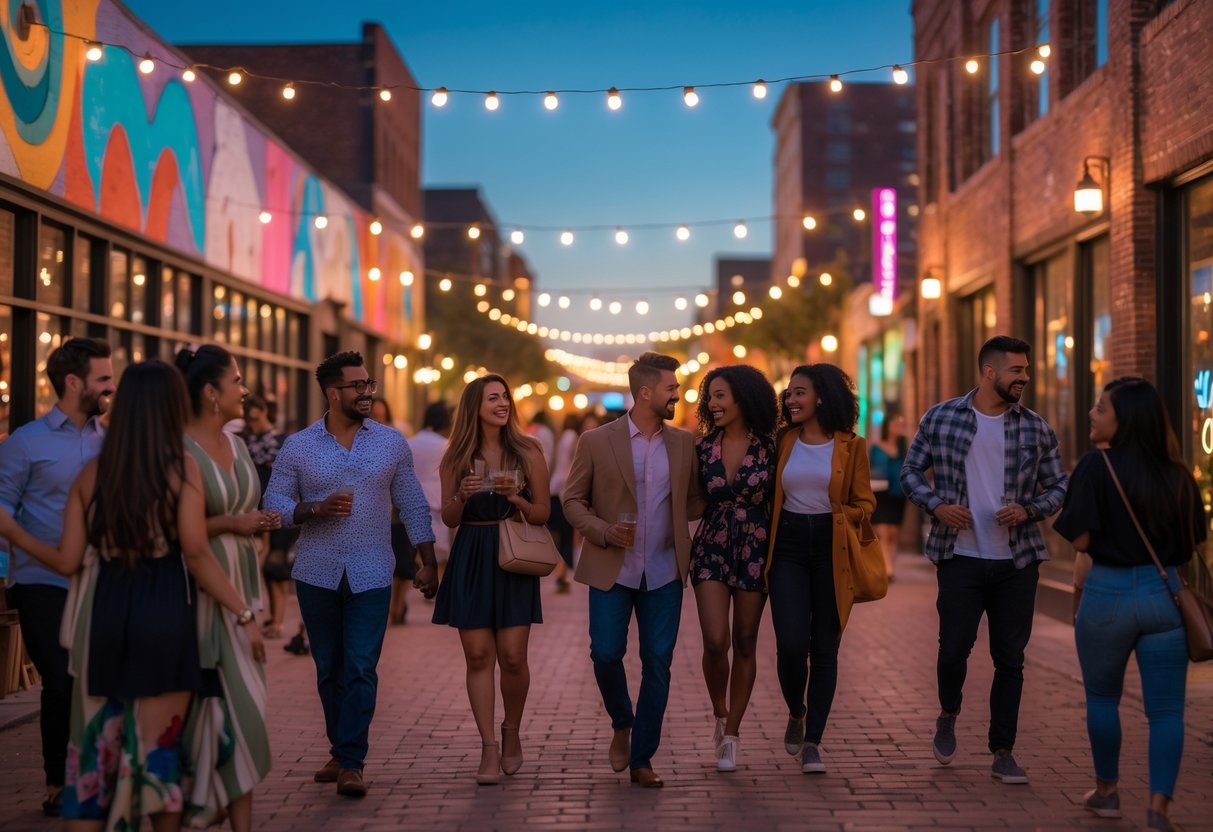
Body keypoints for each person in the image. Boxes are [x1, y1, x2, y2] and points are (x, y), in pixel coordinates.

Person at [0, 360, 265, 831]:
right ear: (168, 408)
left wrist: (12, 531)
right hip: (164, 612)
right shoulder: (179, 468)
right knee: (158, 751)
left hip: (107, 614)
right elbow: (198, 554)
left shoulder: (91, 475)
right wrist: (243, 613)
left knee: (101, 747)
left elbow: (65, 561)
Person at [263, 351, 438, 798]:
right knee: (328, 669)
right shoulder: (299, 446)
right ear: (332, 392)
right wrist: (312, 509)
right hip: (316, 573)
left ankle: (352, 760)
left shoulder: (390, 442)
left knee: (360, 666)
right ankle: (340, 749)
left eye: (369, 384)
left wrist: (427, 559)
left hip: (372, 571)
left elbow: (413, 502)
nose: (367, 392)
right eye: (358, 386)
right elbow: (273, 505)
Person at [901, 335, 1068, 784]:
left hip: (1018, 560)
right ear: (990, 371)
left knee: (1010, 658)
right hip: (960, 556)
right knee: (954, 647)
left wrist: (1030, 509)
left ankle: (1002, 750)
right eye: (1017, 370)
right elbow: (910, 471)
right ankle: (948, 711)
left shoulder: (1036, 427)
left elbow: (1059, 486)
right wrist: (936, 505)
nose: (1025, 378)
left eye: (1027, 371)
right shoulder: (941, 417)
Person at [1053, 378, 1203, 831]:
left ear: (1123, 420)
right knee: (1167, 711)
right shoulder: (1179, 475)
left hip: (1108, 594)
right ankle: (1158, 809)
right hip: (1163, 597)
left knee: (1101, 699)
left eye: (1100, 408)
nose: (1091, 414)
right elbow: (1193, 542)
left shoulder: (1095, 468)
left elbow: (1079, 538)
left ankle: (1107, 792)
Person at [563, 352, 706, 788]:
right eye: (670, 389)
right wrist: (603, 531)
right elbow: (571, 502)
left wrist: (691, 532)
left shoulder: (684, 443)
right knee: (605, 653)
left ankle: (642, 757)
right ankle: (622, 720)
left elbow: (698, 500)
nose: (677, 395)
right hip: (613, 568)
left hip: (664, 571)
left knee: (657, 664)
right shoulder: (596, 441)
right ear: (645, 392)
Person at [0, 337, 113, 817]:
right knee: (60, 682)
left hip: (100, 581)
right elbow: (2, 510)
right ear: (73, 382)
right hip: (41, 581)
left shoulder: (111, 441)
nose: (111, 386)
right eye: (103, 378)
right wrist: (28, 560)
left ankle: (94, 772)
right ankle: (55, 779)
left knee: (95, 680)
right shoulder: (26, 441)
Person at [432, 374, 550, 784]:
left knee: (514, 656)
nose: (503, 404)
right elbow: (447, 518)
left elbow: (542, 514)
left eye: (505, 397)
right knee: (479, 656)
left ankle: (511, 731)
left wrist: (516, 497)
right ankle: (488, 746)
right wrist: (462, 496)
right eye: (493, 398)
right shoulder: (455, 457)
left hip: (512, 554)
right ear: (474, 407)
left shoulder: (529, 451)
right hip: (472, 555)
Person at [177, 345, 276, 829]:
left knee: (248, 712)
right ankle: (204, 801)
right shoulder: (180, 451)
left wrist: (256, 526)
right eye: (237, 381)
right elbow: (183, 535)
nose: (246, 390)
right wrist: (233, 522)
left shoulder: (237, 444)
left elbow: (242, 513)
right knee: (218, 717)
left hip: (246, 589)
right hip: (205, 595)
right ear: (212, 393)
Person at [766, 364, 876, 774]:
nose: (791, 400)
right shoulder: (783, 441)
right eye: (789, 394)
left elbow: (866, 503)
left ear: (822, 397)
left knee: (824, 649)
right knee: (791, 645)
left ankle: (813, 741)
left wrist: (842, 514)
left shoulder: (852, 446)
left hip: (833, 549)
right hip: (788, 547)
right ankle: (796, 709)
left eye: (799, 393)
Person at [689, 365, 778, 772]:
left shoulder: (772, 447)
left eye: (720, 395)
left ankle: (732, 734)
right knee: (714, 641)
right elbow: (690, 500)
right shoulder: (703, 447)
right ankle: (719, 711)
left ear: (743, 397)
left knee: (744, 640)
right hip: (711, 546)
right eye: (710, 397)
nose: (712, 404)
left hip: (756, 547)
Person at [242, 395, 297, 638]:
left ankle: (278, 621)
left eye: (253, 411)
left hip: (279, 510)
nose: (250, 417)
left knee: (276, 562)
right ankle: (269, 616)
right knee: (260, 566)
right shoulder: (241, 440)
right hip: (251, 509)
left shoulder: (281, 441)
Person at [370, 398, 421, 626]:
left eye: (382, 415)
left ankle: (397, 606)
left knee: (403, 565)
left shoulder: (394, 442)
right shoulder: (356, 443)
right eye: (374, 415)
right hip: (374, 515)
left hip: (397, 514)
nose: (377, 419)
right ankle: (389, 606)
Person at [548, 410, 602, 592]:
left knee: (565, 537)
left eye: (594, 426)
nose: (591, 429)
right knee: (564, 536)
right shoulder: (574, 437)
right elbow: (571, 467)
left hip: (560, 490)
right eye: (588, 425)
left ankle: (562, 575)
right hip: (562, 492)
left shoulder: (567, 435)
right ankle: (561, 574)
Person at [869, 405, 908, 581]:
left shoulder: (904, 448)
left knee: (893, 532)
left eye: (901, 425)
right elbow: (870, 468)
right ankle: (888, 569)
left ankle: (888, 563)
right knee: (883, 531)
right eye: (896, 424)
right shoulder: (876, 447)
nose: (900, 427)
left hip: (898, 494)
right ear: (888, 426)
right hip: (880, 492)